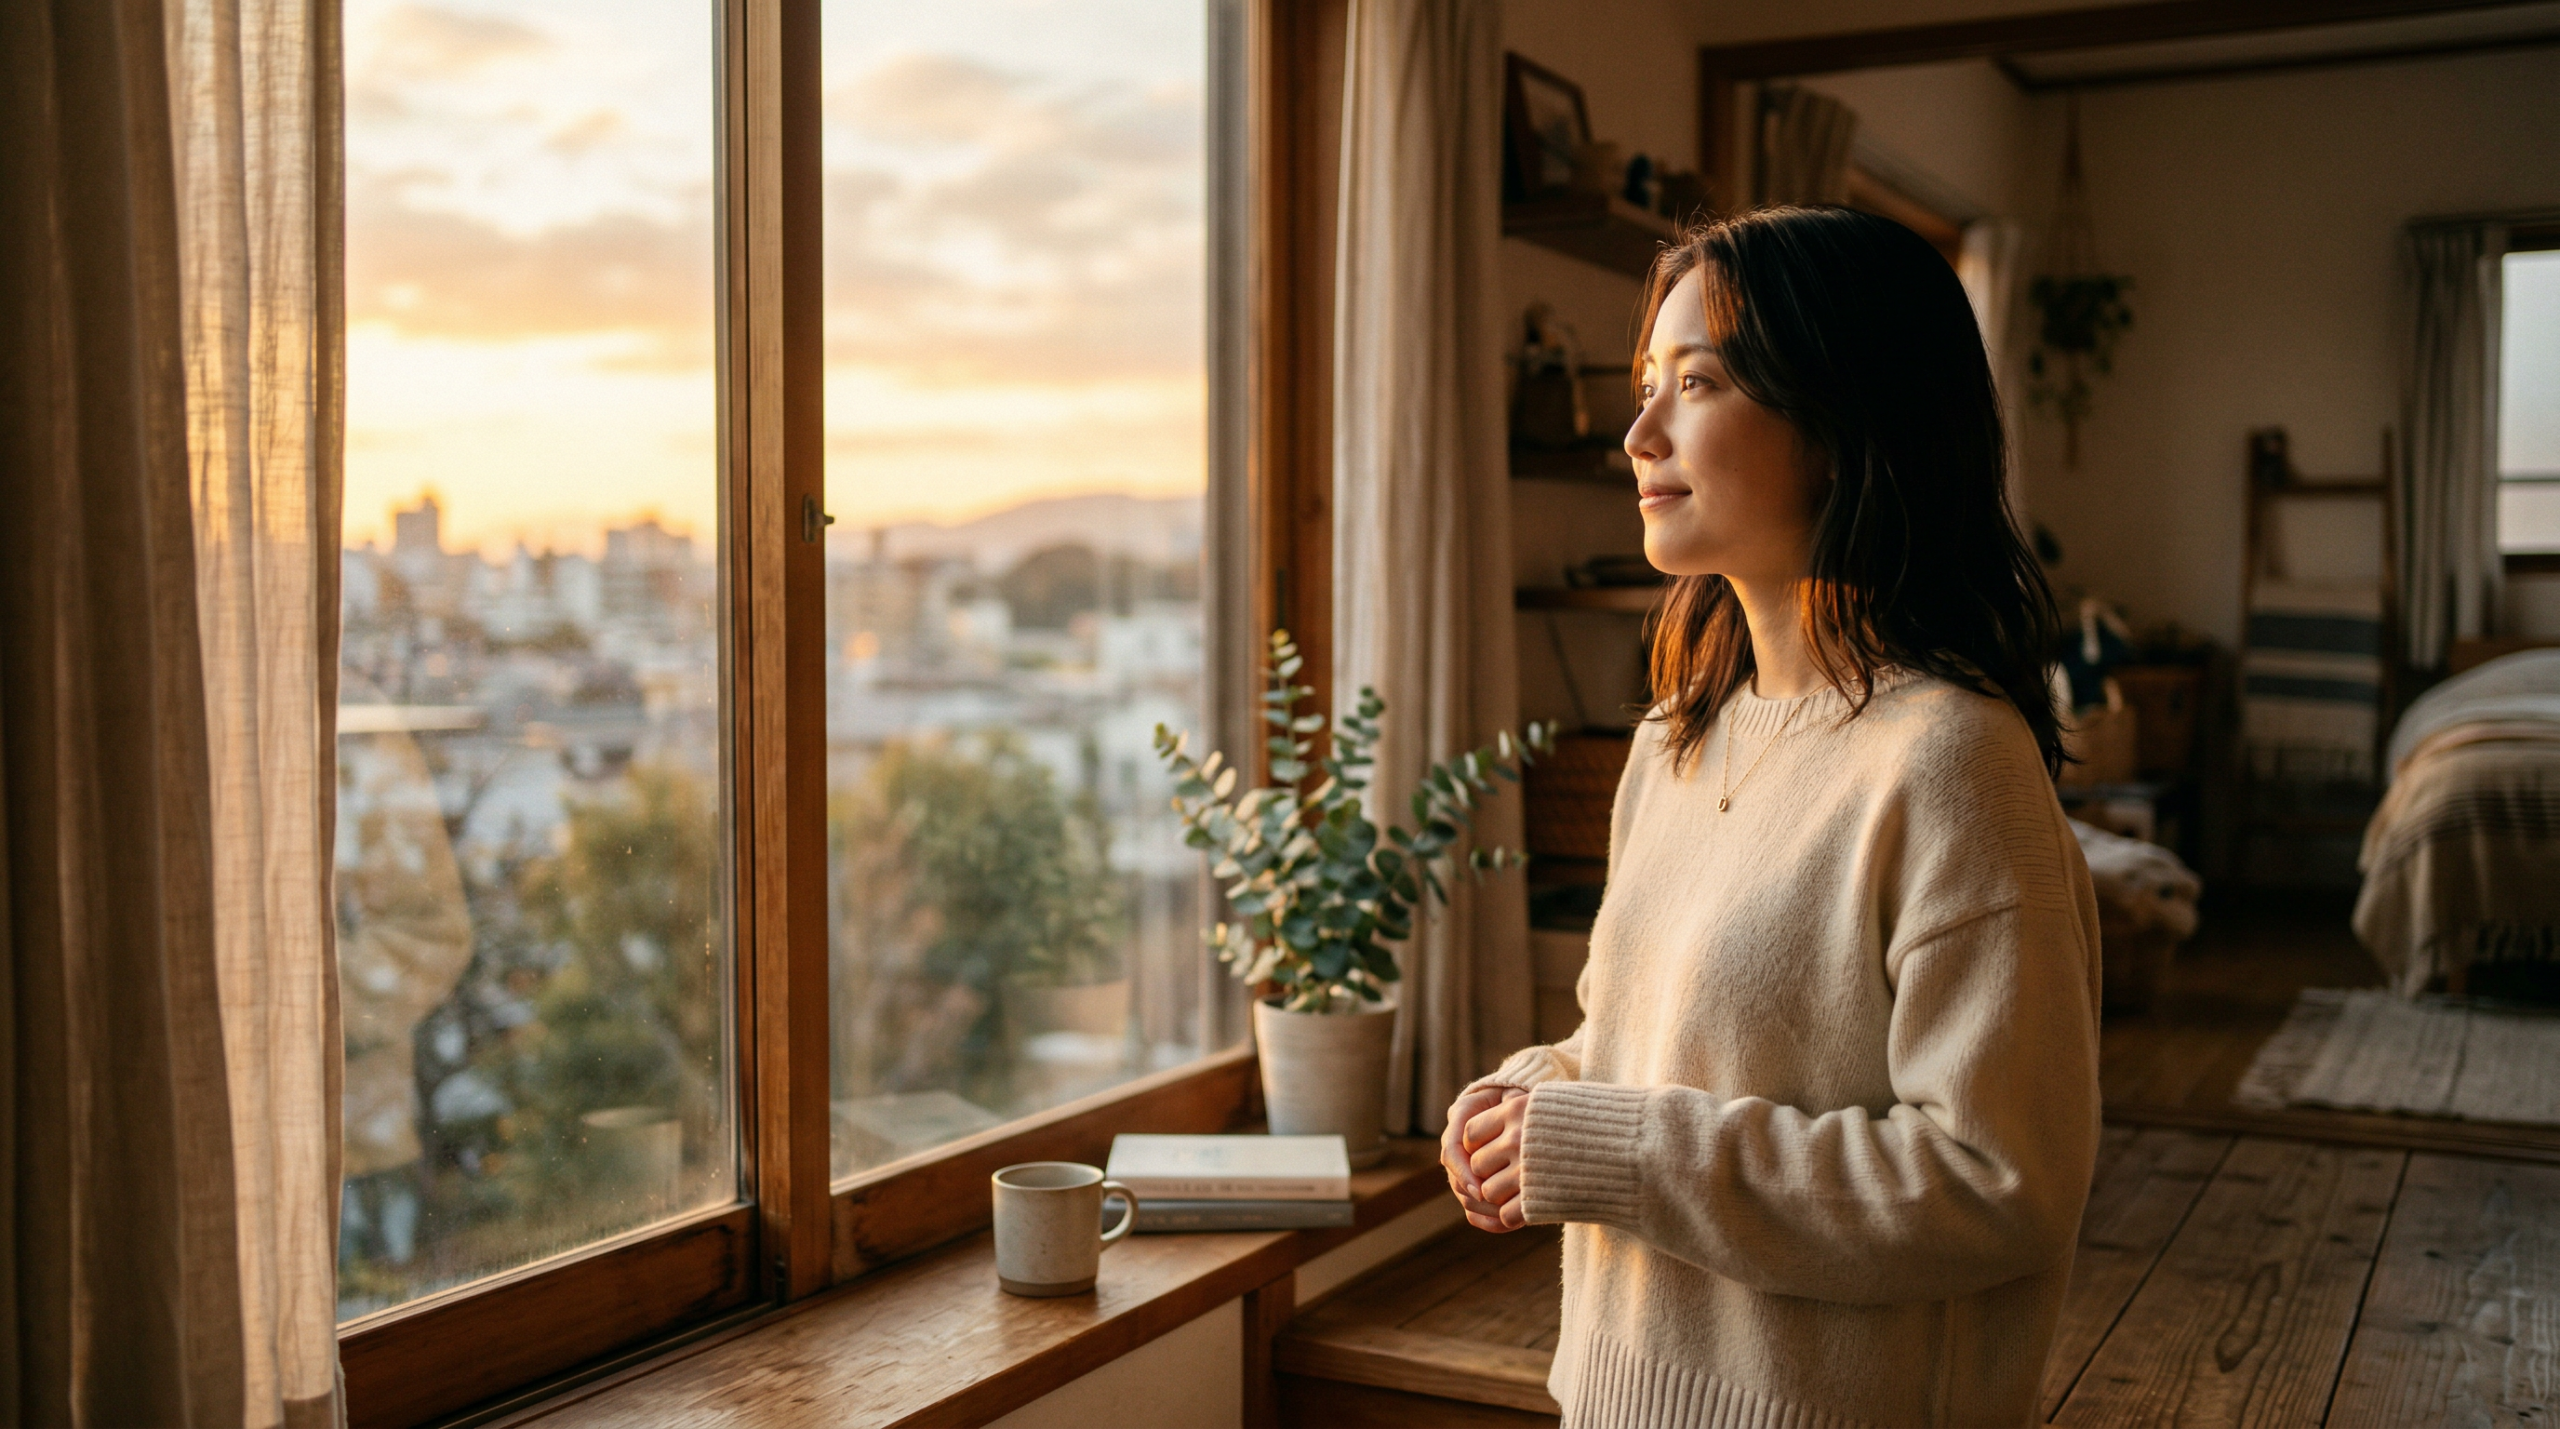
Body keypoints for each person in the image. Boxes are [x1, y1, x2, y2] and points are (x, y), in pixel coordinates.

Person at [1443, 206, 2102, 1428]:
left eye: (1695, 382)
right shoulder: (1674, 740)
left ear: (1849, 418)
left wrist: (1613, 1147)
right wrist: (1534, 1095)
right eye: (1648, 385)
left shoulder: (1952, 762)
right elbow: (1642, 1048)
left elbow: (1998, 1184)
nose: (1639, 433)